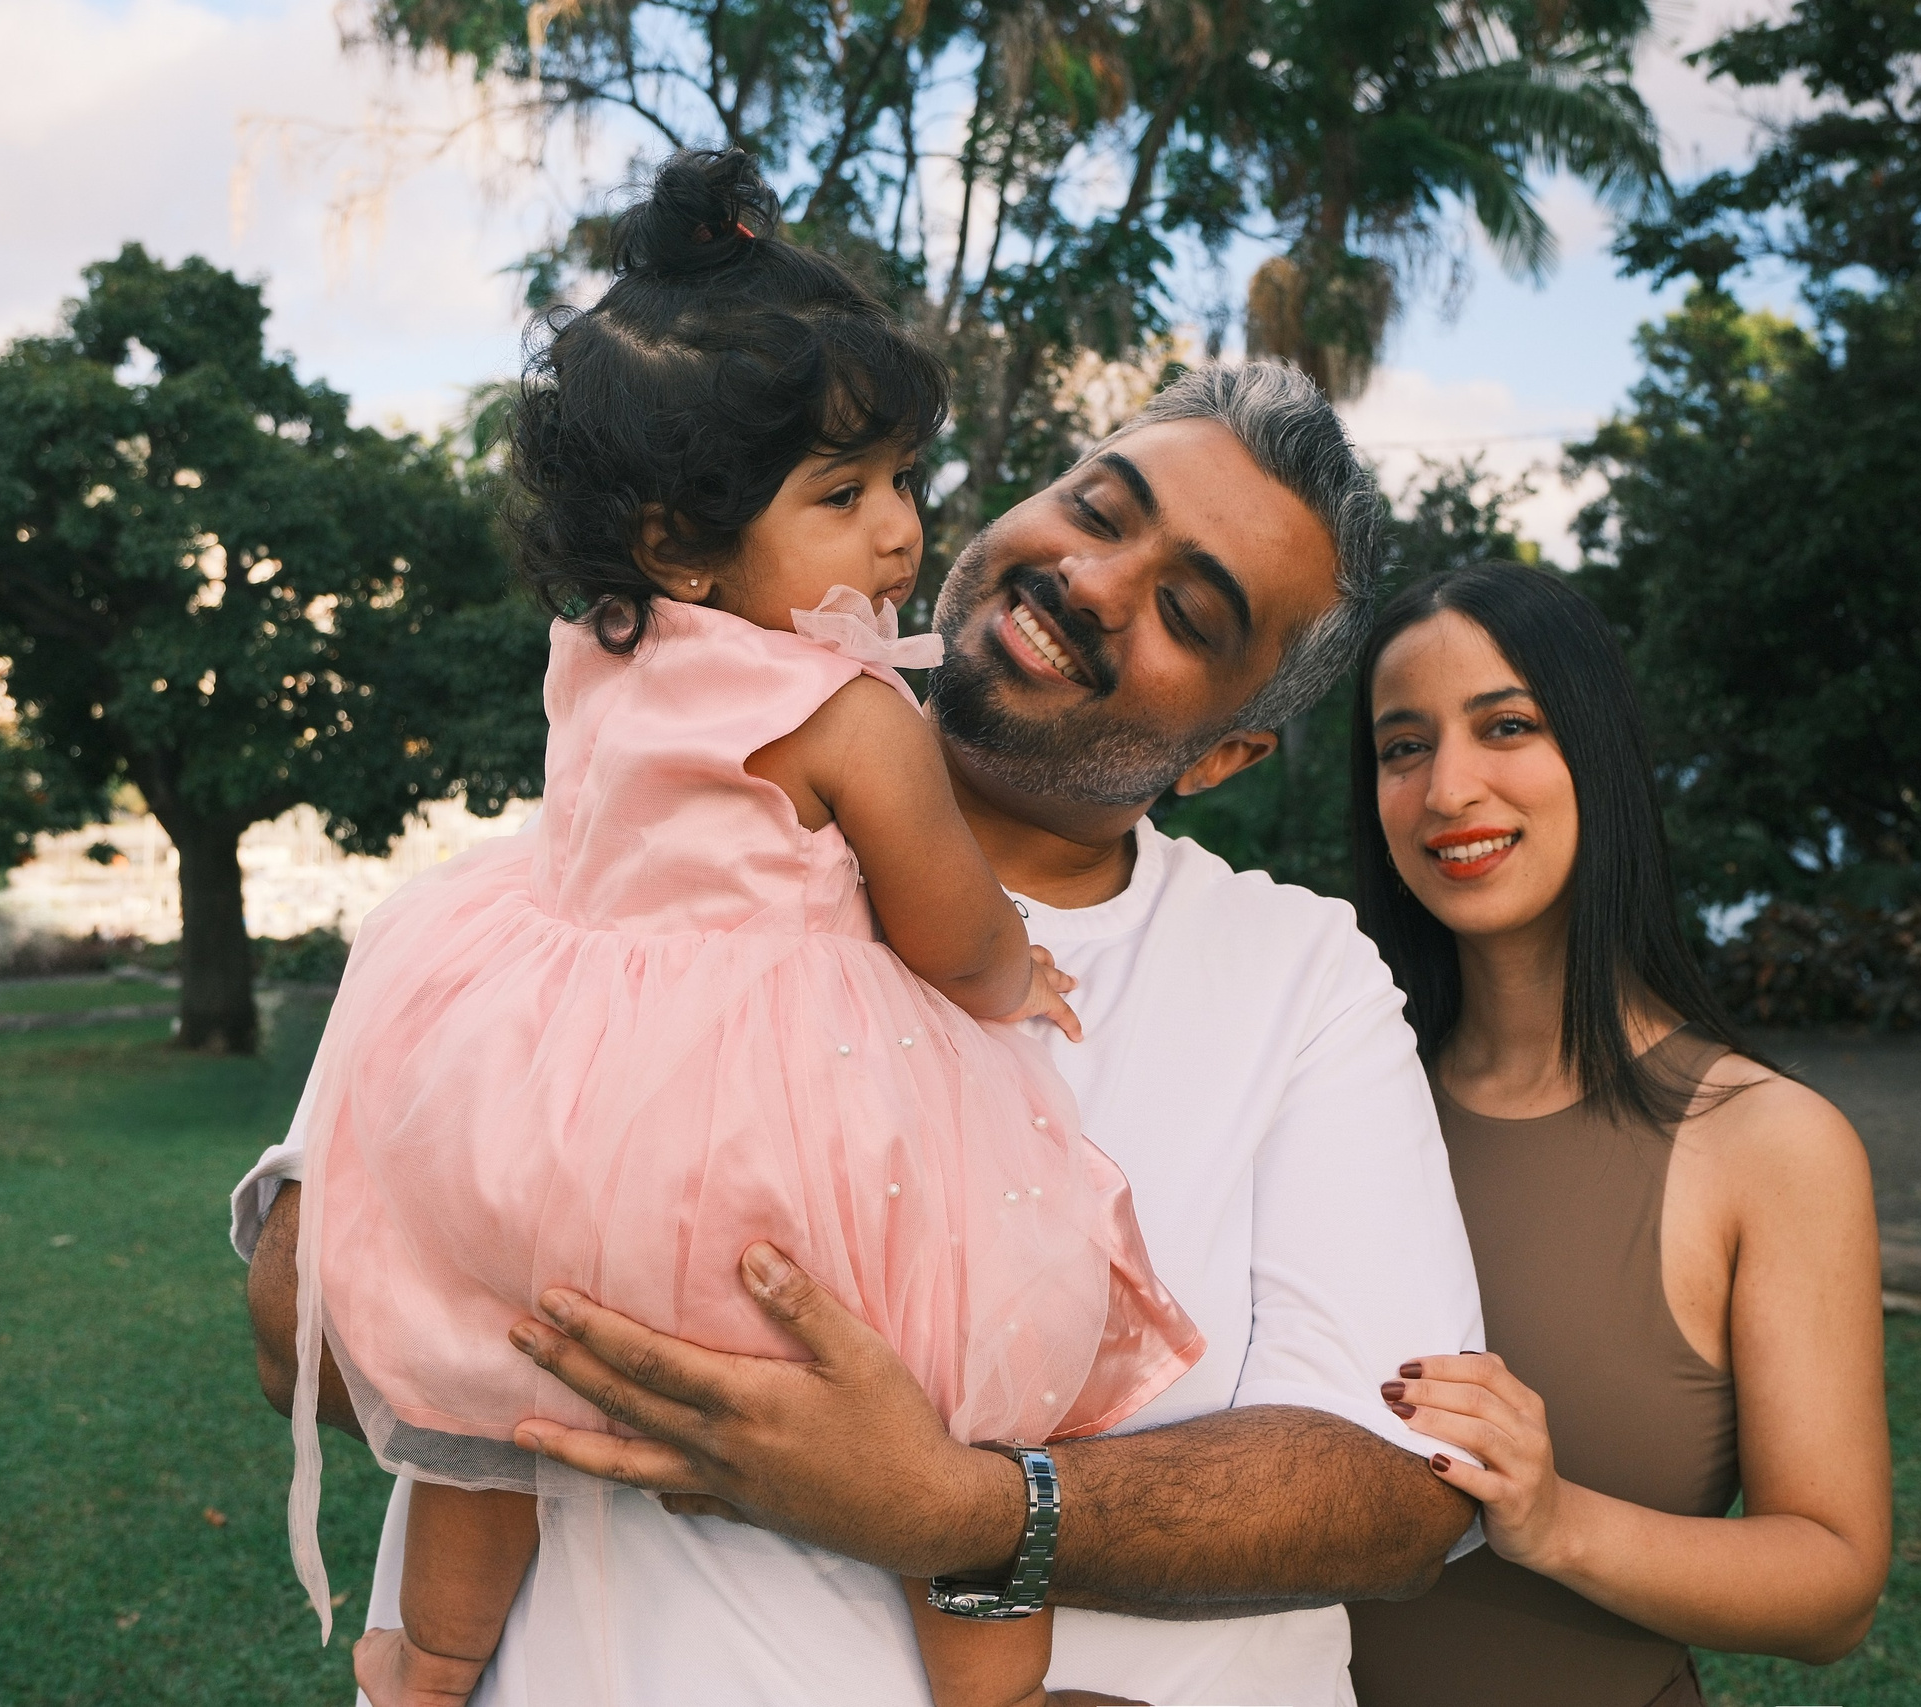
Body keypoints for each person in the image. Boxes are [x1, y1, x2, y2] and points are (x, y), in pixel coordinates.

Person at [240, 362, 1492, 1697]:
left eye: (1186, 610)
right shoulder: (614, 854)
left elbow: (1400, 1485)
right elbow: (296, 1321)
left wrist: (960, 1507)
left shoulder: (1296, 973)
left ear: (1223, 754)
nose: (1092, 581)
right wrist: (716, 1379)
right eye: (1096, 508)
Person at [279, 149, 1206, 1707]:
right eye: (843, 496)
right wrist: (1014, 969)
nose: (899, 533)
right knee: (956, 1381)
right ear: (676, 540)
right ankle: (993, 1691)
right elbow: (946, 927)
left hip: (557, 1118)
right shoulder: (844, 706)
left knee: (499, 1394)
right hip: (759, 1154)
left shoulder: (595, 653)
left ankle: (425, 1662)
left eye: (903, 480)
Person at [1338, 564, 1892, 1707]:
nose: (1447, 788)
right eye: (1403, 746)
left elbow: (1834, 1589)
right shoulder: (1332, 1100)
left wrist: (1554, 1520)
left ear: (1598, 751)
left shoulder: (1771, 1144)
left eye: (1506, 726)